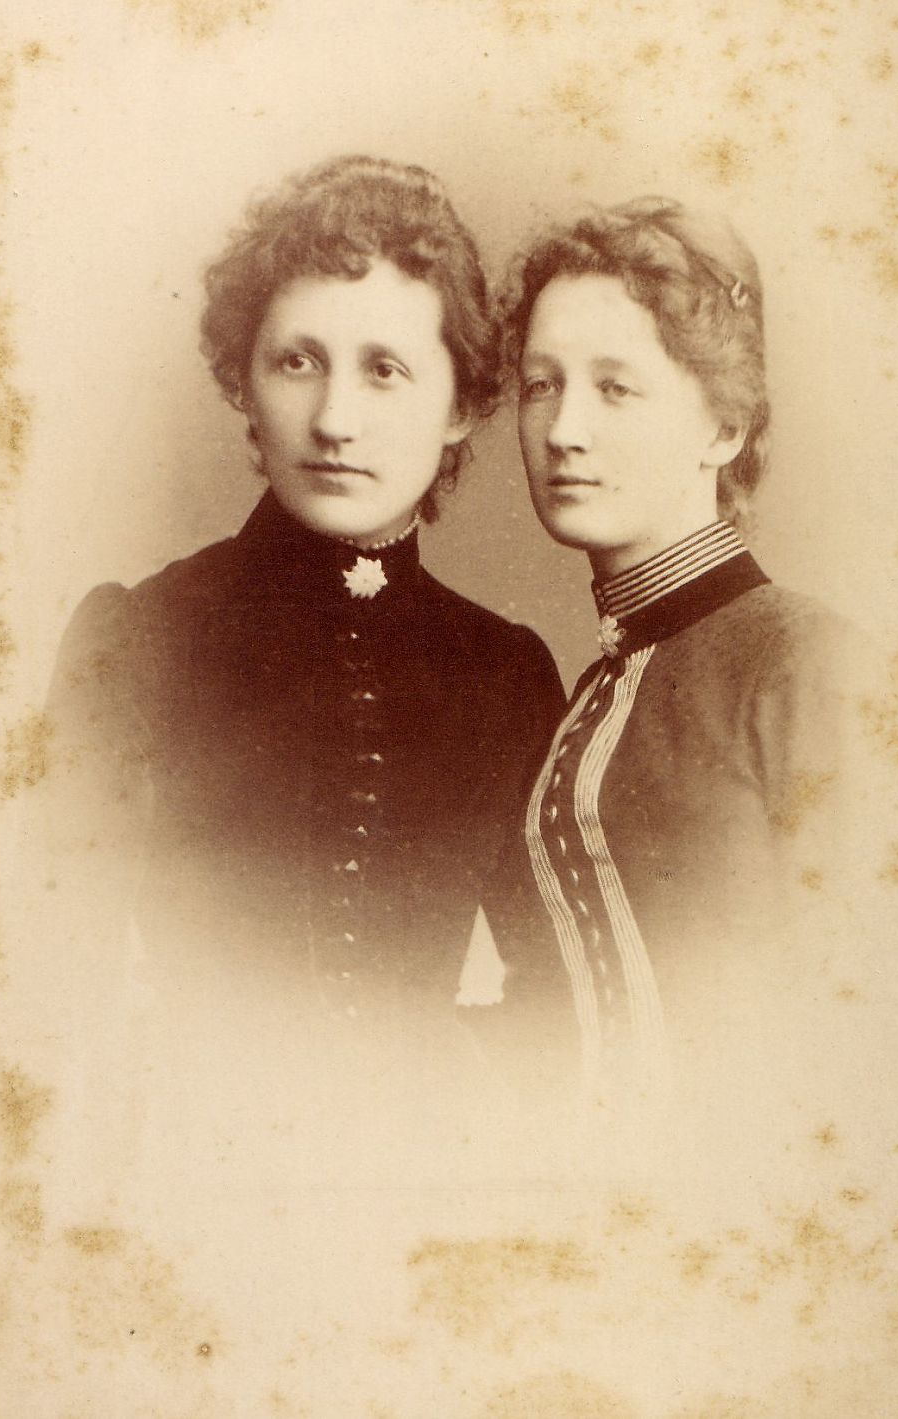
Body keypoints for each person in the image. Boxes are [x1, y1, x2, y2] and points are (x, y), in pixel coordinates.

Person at [45, 155, 565, 1051]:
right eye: (297, 361)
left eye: (385, 369)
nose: (333, 420)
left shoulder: (507, 676)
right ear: (244, 383)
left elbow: (559, 1004)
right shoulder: (138, 638)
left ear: (461, 406)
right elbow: (45, 988)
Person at [488, 196, 877, 1147]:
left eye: (615, 388)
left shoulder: (805, 662)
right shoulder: (588, 696)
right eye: (541, 384)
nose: (563, 429)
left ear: (725, 428)